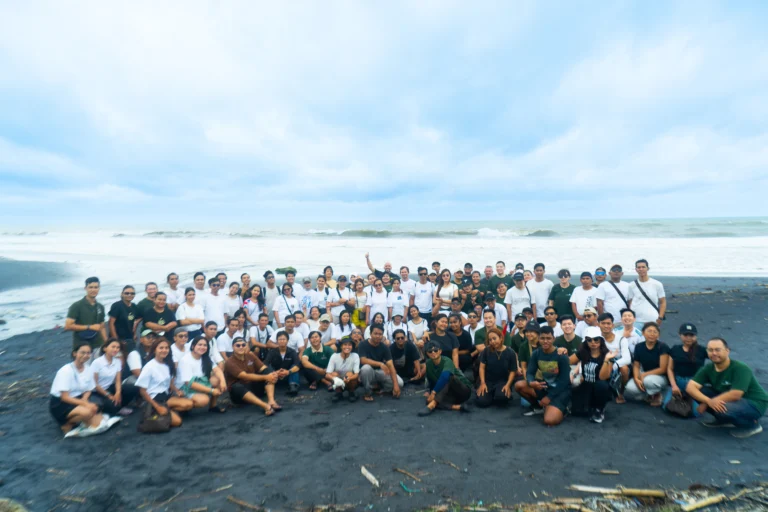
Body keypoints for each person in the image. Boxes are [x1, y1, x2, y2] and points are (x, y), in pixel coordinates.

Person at [686, 337, 768, 438]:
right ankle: (723, 420)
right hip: (728, 399)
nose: (714, 353)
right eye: (710, 350)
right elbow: (690, 387)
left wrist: (708, 402)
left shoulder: (740, 368)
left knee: (726, 408)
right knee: (701, 392)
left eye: (717, 350)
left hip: (754, 403)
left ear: (727, 351)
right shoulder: (708, 368)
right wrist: (707, 401)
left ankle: (752, 425)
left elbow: (736, 394)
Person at [514, 326, 571, 425]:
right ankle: (538, 407)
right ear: (539, 339)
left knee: (549, 421)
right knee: (519, 385)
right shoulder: (536, 354)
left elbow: (564, 381)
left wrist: (549, 397)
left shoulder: (561, 356)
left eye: (548, 338)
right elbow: (530, 372)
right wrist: (531, 382)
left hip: (560, 391)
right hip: (545, 386)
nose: (545, 341)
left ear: (553, 339)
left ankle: (564, 409)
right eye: (542, 338)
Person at [49, 341, 105, 435]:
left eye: (88, 353)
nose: (86, 355)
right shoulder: (66, 371)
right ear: (75, 353)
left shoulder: (88, 369)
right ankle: (66, 423)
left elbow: (89, 389)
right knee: (88, 412)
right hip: (61, 404)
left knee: (98, 421)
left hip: (78, 399)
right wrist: (85, 404)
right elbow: (65, 397)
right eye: (82, 352)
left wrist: (85, 399)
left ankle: (81, 419)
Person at [136, 337, 192, 429]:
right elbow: (142, 391)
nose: (164, 350)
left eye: (166, 348)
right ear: (154, 350)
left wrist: (176, 390)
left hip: (166, 397)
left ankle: (168, 411)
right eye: (161, 348)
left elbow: (168, 382)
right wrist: (157, 406)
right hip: (155, 399)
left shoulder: (166, 364)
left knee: (189, 404)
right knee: (178, 422)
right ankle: (159, 412)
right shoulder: (149, 367)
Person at [662, 323, 709, 417]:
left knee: (695, 413)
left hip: (695, 383)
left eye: (691, 335)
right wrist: (674, 385)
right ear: (680, 335)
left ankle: (700, 399)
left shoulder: (702, 350)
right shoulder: (675, 349)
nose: (688, 338)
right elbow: (670, 369)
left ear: (696, 336)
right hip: (679, 381)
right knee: (666, 407)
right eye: (685, 335)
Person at [419, 340, 473, 416]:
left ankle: (433, 404)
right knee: (429, 400)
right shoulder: (428, 364)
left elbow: (445, 376)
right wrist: (430, 392)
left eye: (435, 350)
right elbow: (431, 381)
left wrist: (433, 392)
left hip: (463, 390)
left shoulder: (447, 360)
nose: (433, 353)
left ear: (440, 351)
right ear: (427, 354)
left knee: (448, 377)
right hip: (448, 392)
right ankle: (458, 407)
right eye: (430, 351)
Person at [571, 332, 614, 423]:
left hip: (601, 388)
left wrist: (606, 360)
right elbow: (568, 361)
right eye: (589, 340)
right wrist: (562, 351)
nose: (593, 342)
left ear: (601, 340)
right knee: (576, 411)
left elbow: (603, 377)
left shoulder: (607, 354)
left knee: (601, 384)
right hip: (586, 385)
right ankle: (589, 405)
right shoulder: (583, 352)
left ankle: (599, 409)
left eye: (596, 339)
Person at [178, 336, 228, 413]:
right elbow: (189, 383)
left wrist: (223, 381)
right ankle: (184, 406)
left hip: (201, 381)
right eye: (199, 345)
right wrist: (211, 391)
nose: (202, 347)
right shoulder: (185, 360)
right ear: (193, 346)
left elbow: (217, 370)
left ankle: (213, 406)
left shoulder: (205, 357)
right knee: (204, 400)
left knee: (218, 379)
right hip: (186, 388)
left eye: (205, 345)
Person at [624, 322, 669, 406]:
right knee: (630, 388)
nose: (652, 334)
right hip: (644, 374)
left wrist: (644, 375)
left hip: (660, 377)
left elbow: (663, 369)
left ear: (658, 334)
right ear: (643, 333)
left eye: (655, 332)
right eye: (649, 331)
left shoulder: (662, 347)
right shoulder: (639, 346)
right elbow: (636, 365)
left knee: (649, 381)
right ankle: (648, 395)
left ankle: (657, 393)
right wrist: (636, 378)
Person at [91, 338, 138, 416]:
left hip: (110, 388)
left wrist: (118, 393)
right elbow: (94, 384)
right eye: (113, 347)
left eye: (117, 347)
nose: (115, 349)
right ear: (105, 348)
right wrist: (109, 396)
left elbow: (118, 380)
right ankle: (115, 407)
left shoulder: (117, 362)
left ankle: (119, 405)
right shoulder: (97, 363)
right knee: (110, 405)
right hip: (97, 392)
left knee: (133, 387)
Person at [358, 324, 402, 402]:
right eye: (375, 333)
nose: (378, 336)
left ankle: (379, 387)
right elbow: (363, 360)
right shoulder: (363, 344)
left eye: (380, 334)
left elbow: (390, 365)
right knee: (366, 368)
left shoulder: (384, 347)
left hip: (380, 372)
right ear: (370, 334)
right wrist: (380, 364)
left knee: (400, 383)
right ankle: (368, 392)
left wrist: (396, 385)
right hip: (368, 373)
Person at [476, 328, 518, 408]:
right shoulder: (486, 351)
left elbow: (513, 371)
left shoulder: (510, 352)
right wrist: (482, 383)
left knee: (502, 399)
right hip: (488, 381)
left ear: (501, 338)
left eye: (494, 338)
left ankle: (496, 393)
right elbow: (481, 368)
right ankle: (490, 394)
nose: (492, 342)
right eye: (490, 340)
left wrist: (508, 385)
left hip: (502, 381)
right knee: (482, 402)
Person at [595, 315, 631, 403]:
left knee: (625, 369)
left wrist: (614, 365)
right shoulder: (594, 338)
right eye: (603, 323)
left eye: (608, 323)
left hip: (616, 365)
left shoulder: (621, 339)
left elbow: (627, 359)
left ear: (613, 325)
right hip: (600, 363)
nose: (606, 326)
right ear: (598, 325)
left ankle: (621, 393)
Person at [65, 276, 107, 350]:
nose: (93, 290)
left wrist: (106, 343)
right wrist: (89, 327)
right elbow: (68, 326)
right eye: (90, 287)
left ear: (99, 288)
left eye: (96, 287)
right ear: (85, 288)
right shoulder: (76, 306)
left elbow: (102, 327)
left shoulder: (100, 307)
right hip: (82, 345)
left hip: (98, 344)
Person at [627, 259, 667, 326]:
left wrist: (660, 317)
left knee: (651, 336)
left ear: (647, 268)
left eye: (643, 267)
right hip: (636, 320)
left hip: (652, 319)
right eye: (639, 267)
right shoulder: (631, 285)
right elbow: (630, 301)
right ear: (636, 269)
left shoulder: (657, 284)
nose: (641, 269)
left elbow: (663, 302)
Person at [264, 331, 301, 395]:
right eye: (280, 339)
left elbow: (298, 365)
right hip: (275, 375)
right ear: (277, 341)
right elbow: (265, 364)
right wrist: (275, 372)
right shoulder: (272, 352)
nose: (282, 341)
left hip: (288, 376)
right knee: (268, 366)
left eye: (284, 339)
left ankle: (293, 386)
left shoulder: (292, 351)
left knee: (294, 367)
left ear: (287, 340)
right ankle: (268, 385)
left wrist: (288, 372)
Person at [326, 337, 361, 402]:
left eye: (349, 345)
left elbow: (356, 374)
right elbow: (327, 374)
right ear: (341, 346)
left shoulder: (355, 356)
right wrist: (335, 379)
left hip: (350, 379)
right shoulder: (334, 356)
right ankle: (338, 393)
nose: (347, 347)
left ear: (352, 347)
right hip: (339, 379)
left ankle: (351, 392)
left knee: (349, 374)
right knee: (334, 374)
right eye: (345, 345)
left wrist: (349, 379)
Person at [108, 285, 140, 352]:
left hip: (130, 339)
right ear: (122, 294)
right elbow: (111, 323)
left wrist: (134, 333)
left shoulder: (134, 306)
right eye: (127, 293)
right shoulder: (117, 306)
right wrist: (116, 340)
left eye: (132, 293)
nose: (129, 295)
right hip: (118, 339)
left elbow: (137, 319)